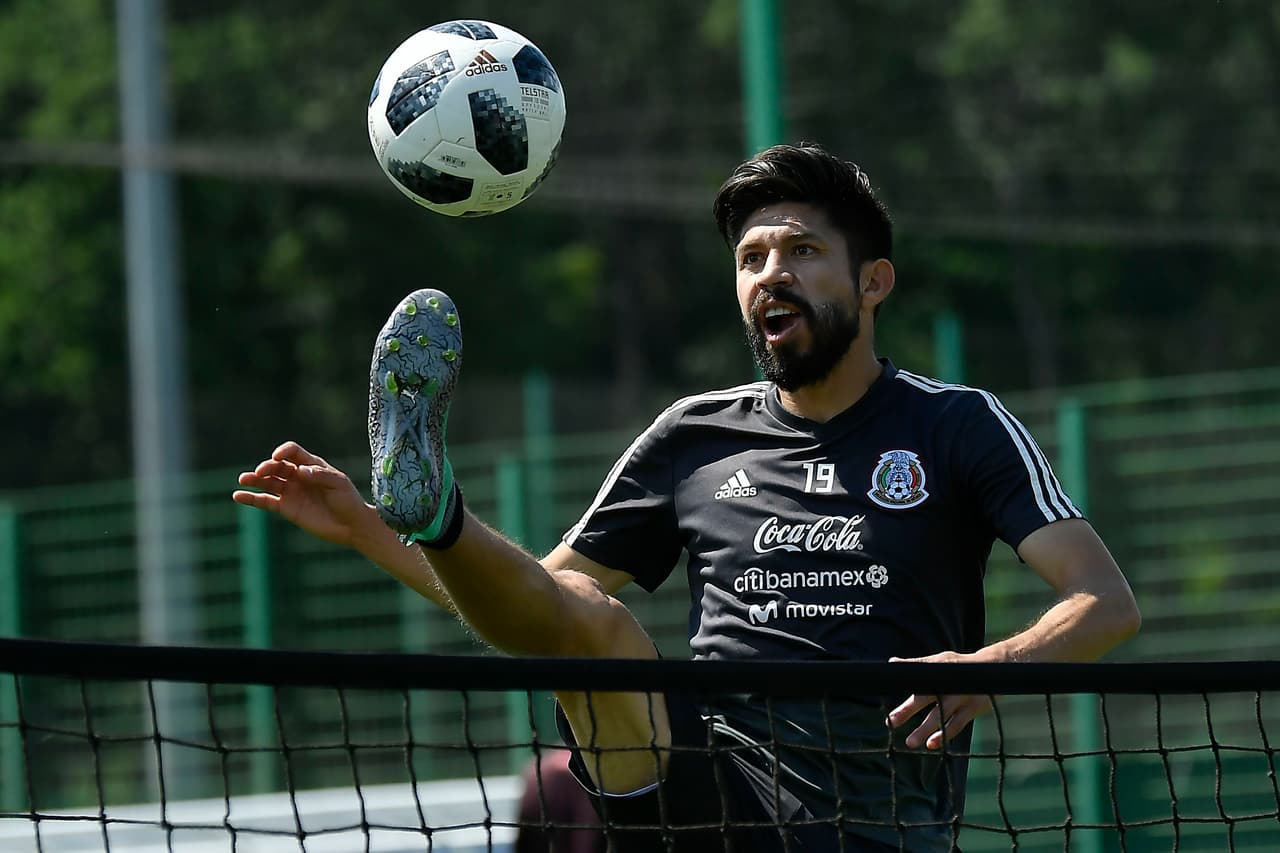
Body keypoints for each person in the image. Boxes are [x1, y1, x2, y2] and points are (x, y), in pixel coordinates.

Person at [233, 143, 1140, 852]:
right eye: (751, 257)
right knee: (583, 616)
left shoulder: (960, 426)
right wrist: (377, 530)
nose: (769, 273)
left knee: (576, 615)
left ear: (873, 283)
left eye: (802, 250)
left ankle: (433, 511)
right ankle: (432, 506)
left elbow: (1106, 603)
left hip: (876, 824)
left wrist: (988, 667)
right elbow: (531, 609)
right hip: (700, 797)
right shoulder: (692, 436)